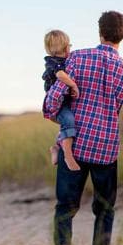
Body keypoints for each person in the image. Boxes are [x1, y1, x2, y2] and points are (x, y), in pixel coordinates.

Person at [43, 11, 123, 245]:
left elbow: (53, 101)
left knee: (65, 207)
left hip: (75, 146)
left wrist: (53, 108)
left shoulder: (77, 58)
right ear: (122, 35)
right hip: (105, 151)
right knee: (104, 210)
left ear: (100, 32)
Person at [42, 30, 81, 171]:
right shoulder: (53, 63)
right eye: (69, 46)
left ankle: (56, 148)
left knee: (68, 124)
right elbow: (60, 75)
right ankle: (68, 156)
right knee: (69, 120)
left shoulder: (66, 61)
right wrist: (73, 84)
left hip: (64, 102)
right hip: (57, 105)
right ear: (65, 48)